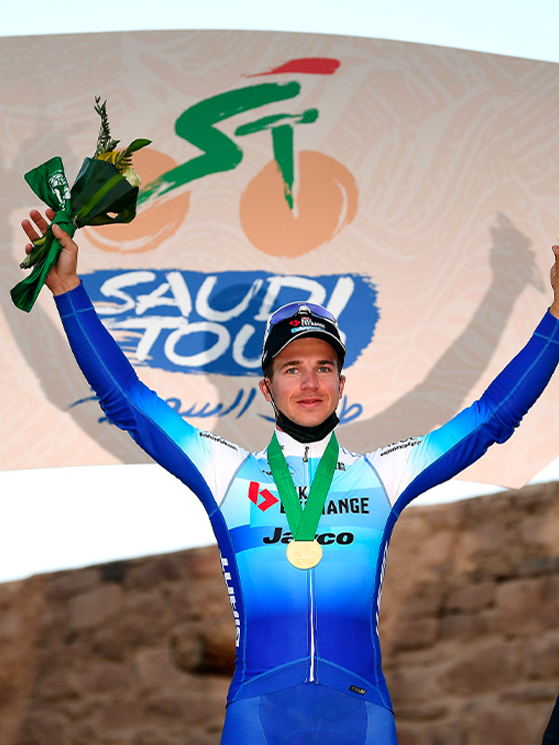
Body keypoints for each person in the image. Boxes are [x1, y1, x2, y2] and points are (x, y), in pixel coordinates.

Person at [21, 209, 559, 745]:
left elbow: (492, 418)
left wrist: (557, 317)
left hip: (361, 715)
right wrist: (68, 291)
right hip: (260, 717)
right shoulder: (227, 473)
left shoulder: (382, 475)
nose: (310, 382)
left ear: (342, 385)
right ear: (267, 387)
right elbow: (127, 401)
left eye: (324, 367)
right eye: (291, 368)